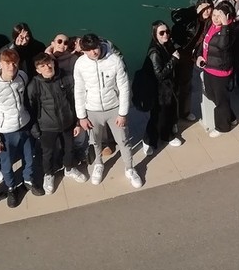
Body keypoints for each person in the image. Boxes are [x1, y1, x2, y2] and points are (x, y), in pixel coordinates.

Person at [74, 33, 142, 188]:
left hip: (114, 108)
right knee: (95, 141)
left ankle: (130, 168)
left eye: (95, 48)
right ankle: (98, 164)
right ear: (83, 51)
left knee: (123, 140)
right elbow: (79, 90)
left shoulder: (115, 60)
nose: (93, 52)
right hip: (92, 110)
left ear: (99, 44)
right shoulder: (80, 64)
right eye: (88, 50)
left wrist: (122, 113)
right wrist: (82, 117)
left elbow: (124, 87)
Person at [0, 48, 41, 206]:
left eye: (14, 63)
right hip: (6, 132)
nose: (11, 66)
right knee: (6, 164)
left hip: (24, 125)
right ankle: (11, 188)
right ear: (0, 64)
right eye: (7, 63)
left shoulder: (22, 76)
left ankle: (28, 180)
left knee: (29, 156)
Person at [27, 52, 87, 195]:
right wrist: (35, 130)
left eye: (49, 63)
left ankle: (69, 168)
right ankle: (48, 174)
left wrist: (77, 122)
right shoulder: (34, 85)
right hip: (47, 127)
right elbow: (31, 109)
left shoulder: (66, 78)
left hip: (68, 122)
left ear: (53, 63)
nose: (47, 67)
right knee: (47, 153)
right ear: (38, 70)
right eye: (42, 66)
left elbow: (74, 100)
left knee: (69, 148)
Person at [170, 0, 212, 122]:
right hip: (176, 53)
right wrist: (194, 11)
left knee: (186, 85)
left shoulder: (209, 22)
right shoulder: (190, 17)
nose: (206, 11)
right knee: (172, 86)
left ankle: (184, 112)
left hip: (189, 56)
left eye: (209, 8)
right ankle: (172, 118)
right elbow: (175, 16)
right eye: (203, 8)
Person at [197, 4, 235, 138]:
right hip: (208, 68)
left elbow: (223, 45)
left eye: (220, 16)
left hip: (220, 71)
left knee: (220, 100)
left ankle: (223, 127)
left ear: (227, 17)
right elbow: (204, 42)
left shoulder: (229, 31)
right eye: (214, 15)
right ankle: (230, 116)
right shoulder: (210, 25)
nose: (216, 18)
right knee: (211, 94)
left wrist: (225, 25)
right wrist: (199, 56)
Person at [143, 21, 181, 151]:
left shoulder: (166, 45)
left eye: (167, 32)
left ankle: (167, 135)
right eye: (161, 33)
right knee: (158, 116)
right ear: (155, 34)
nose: (166, 35)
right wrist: (173, 60)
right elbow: (159, 74)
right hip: (159, 90)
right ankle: (148, 140)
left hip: (168, 88)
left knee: (168, 112)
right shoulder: (154, 52)